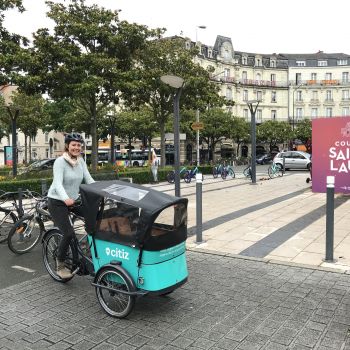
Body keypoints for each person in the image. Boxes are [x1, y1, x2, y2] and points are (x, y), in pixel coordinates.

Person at [47, 133, 94, 279]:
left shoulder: (80, 161)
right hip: (57, 201)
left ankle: (88, 251)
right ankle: (60, 263)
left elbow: (89, 179)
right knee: (68, 233)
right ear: (67, 146)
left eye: (79, 145)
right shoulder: (60, 162)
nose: (77, 148)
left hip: (73, 201)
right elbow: (57, 184)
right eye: (74, 145)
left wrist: (104, 190)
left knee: (95, 219)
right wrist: (65, 198)